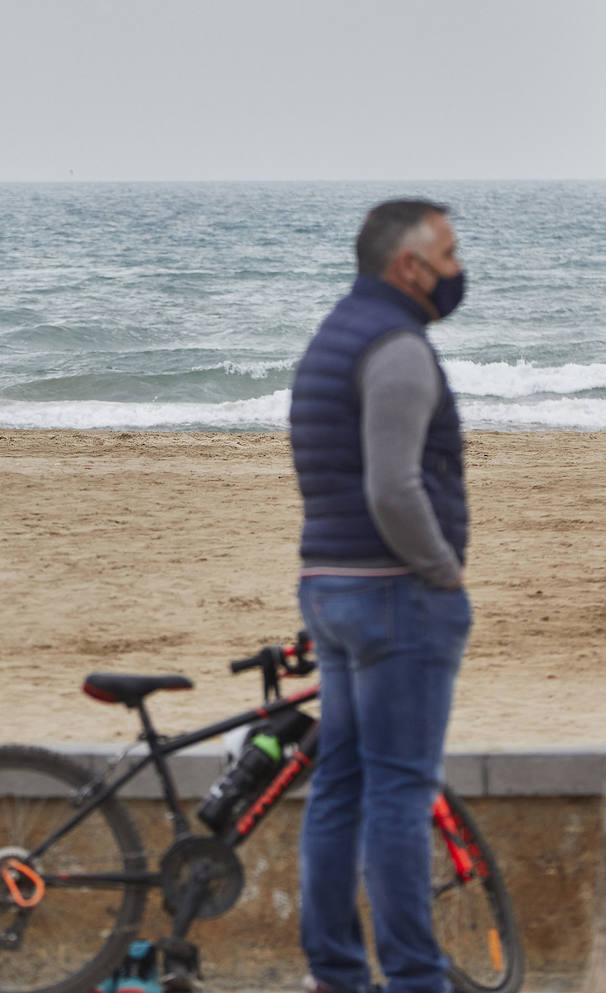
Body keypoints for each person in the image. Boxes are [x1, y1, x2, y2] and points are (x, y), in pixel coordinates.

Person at [288, 200, 470, 993]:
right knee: (400, 792)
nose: (459, 270)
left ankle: (336, 972)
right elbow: (394, 487)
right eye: (451, 254)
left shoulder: (334, 333)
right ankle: (415, 979)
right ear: (409, 267)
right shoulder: (398, 347)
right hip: (395, 594)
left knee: (341, 785)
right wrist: (442, 569)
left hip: (331, 584)